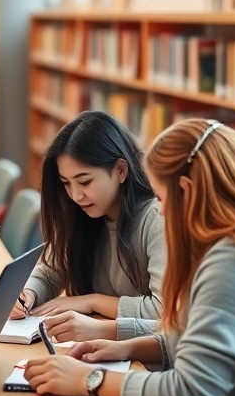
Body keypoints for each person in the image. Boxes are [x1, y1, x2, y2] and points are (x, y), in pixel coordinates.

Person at [23, 118, 235, 396]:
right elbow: (198, 341)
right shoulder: (227, 248)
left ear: (187, 192)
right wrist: (128, 346)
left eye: (162, 198)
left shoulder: (231, 263)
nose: (160, 211)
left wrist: (89, 380)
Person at [11, 110, 166, 343]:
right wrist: (28, 294)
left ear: (121, 170)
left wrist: (91, 301)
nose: (76, 195)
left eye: (85, 181)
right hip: (97, 346)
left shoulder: (157, 218)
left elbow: (162, 310)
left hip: (141, 355)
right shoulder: (81, 213)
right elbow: (50, 273)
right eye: (66, 183)